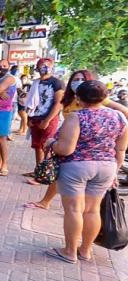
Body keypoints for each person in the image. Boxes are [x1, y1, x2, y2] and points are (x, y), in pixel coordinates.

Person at [44, 80, 128, 264]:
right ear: (105, 97)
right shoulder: (120, 117)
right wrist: (115, 170)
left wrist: (51, 144)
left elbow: (66, 149)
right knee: (92, 210)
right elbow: (120, 149)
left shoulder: (76, 117)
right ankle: (85, 250)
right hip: (106, 167)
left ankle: (69, 251)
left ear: (78, 98)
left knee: (74, 209)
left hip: (77, 166)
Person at [25, 70, 128, 210]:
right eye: (75, 79)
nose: (77, 82)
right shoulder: (69, 98)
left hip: (81, 155)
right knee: (89, 209)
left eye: (81, 79)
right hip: (82, 153)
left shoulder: (96, 100)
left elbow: (124, 113)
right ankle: (46, 202)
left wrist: (52, 143)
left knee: (76, 209)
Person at [26, 58, 64, 179]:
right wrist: (28, 118)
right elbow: (30, 102)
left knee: (46, 146)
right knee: (37, 146)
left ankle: (45, 175)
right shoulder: (36, 82)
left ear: (51, 67)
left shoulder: (57, 83)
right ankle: (39, 171)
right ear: (37, 68)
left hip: (49, 119)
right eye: (41, 65)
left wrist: (47, 120)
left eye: (47, 65)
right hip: (35, 118)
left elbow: (59, 103)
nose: (44, 68)